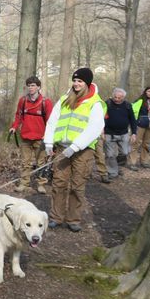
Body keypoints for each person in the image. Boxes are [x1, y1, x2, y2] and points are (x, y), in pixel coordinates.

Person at [43, 68, 105, 232]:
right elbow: (52, 122)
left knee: (77, 185)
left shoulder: (95, 103)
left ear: (87, 83)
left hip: (82, 151)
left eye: (80, 81)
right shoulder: (64, 99)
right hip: (62, 148)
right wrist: (49, 143)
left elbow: (95, 127)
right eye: (75, 81)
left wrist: (75, 147)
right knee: (58, 183)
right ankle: (56, 216)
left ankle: (73, 219)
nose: (76, 84)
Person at [9, 76, 53, 194]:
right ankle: (24, 183)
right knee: (25, 162)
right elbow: (18, 116)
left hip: (40, 138)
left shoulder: (46, 102)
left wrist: (48, 135)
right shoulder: (23, 101)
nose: (30, 88)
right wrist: (14, 127)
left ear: (38, 87)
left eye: (33, 85)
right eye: (29, 85)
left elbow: (50, 121)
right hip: (25, 137)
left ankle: (41, 184)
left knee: (41, 163)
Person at [103, 88, 137, 179]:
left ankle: (117, 166)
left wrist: (134, 133)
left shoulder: (127, 105)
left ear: (123, 97)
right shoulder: (107, 104)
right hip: (109, 133)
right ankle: (113, 172)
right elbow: (101, 118)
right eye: (115, 97)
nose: (117, 99)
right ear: (112, 95)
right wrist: (102, 131)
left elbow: (133, 120)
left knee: (125, 152)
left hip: (123, 133)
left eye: (119, 97)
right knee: (110, 155)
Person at [130, 86, 150, 169]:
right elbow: (133, 111)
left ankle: (144, 161)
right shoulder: (140, 100)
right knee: (135, 143)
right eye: (149, 91)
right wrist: (136, 122)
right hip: (140, 125)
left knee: (147, 144)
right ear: (145, 92)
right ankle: (132, 163)